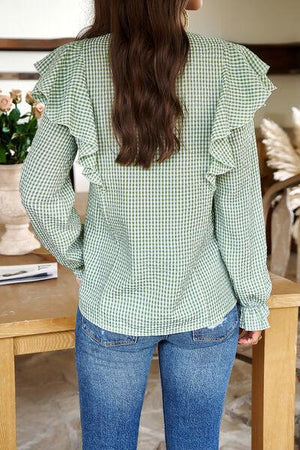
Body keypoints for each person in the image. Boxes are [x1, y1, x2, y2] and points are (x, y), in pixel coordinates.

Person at [19, 0, 277, 448]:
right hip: (206, 303)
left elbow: (40, 191)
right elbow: (239, 206)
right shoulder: (227, 65)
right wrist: (253, 300)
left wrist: (85, 260)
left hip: (113, 304)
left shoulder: (79, 65)